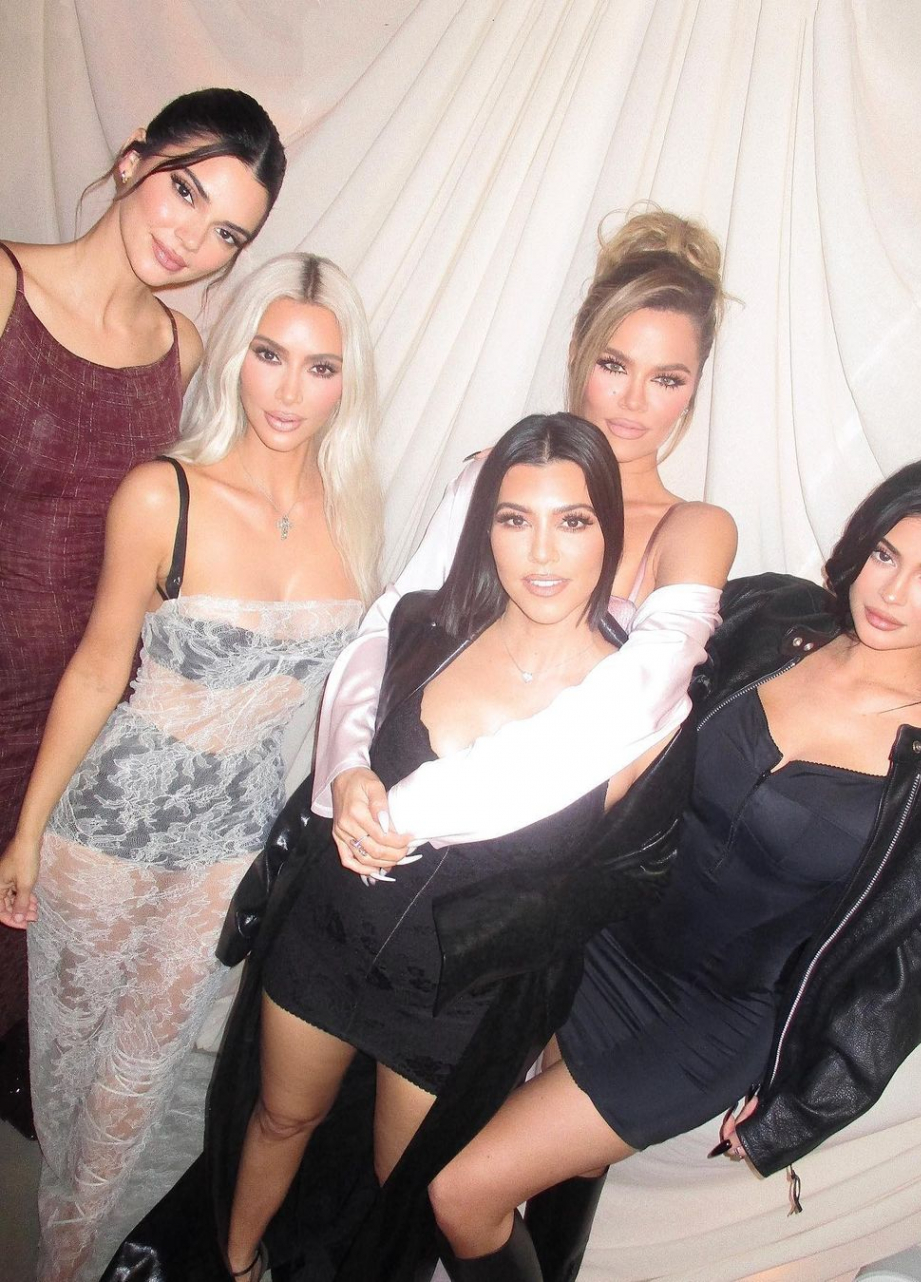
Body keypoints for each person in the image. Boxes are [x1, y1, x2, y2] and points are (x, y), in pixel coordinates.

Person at [425, 454, 921, 1282]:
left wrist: (807, 1097)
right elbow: (625, 709)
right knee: (557, 1167)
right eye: (886, 554)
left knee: (461, 1193)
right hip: (602, 939)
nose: (890, 593)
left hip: (718, 1018)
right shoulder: (766, 616)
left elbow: (912, 966)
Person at [215, 414, 699, 1282]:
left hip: (454, 1002)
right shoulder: (429, 629)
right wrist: (350, 776)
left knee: (406, 1192)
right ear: (485, 529)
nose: (541, 552)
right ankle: (237, 1264)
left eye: (572, 520)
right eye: (515, 519)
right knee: (279, 1119)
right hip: (328, 939)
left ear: (609, 532)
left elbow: (616, 888)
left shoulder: (639, 717)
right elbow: (351, 734)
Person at [0, 251, 379, 1282]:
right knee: (75, 1073)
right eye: (268, 354)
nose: (289, 390)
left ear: (348, 381)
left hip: (229, 847)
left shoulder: (355, 514)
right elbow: (98, 667)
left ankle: (80, 1258)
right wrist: (29, 831)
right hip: (110, 832)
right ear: (235, 358)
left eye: (320, 366)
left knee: (150, 1073)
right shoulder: (161, 492)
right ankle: (64, 1252)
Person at [0, 86, 286, 1136]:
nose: (192, 240)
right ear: (133, 160)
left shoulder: (184, 353)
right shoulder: (6, 286)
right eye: (185, 190)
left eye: (227, 233)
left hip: (81, 724)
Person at [314, 208, 736, 871]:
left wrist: (407, 813)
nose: (633, 401)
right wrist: (346, 769)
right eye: (614, 365)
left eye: (666, 379)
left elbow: (633, 703)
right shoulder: (495, 478)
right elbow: (391, 624)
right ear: (577, 354)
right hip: (388, 795)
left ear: (693, 388)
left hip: (520, 865)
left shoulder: (693, 529)